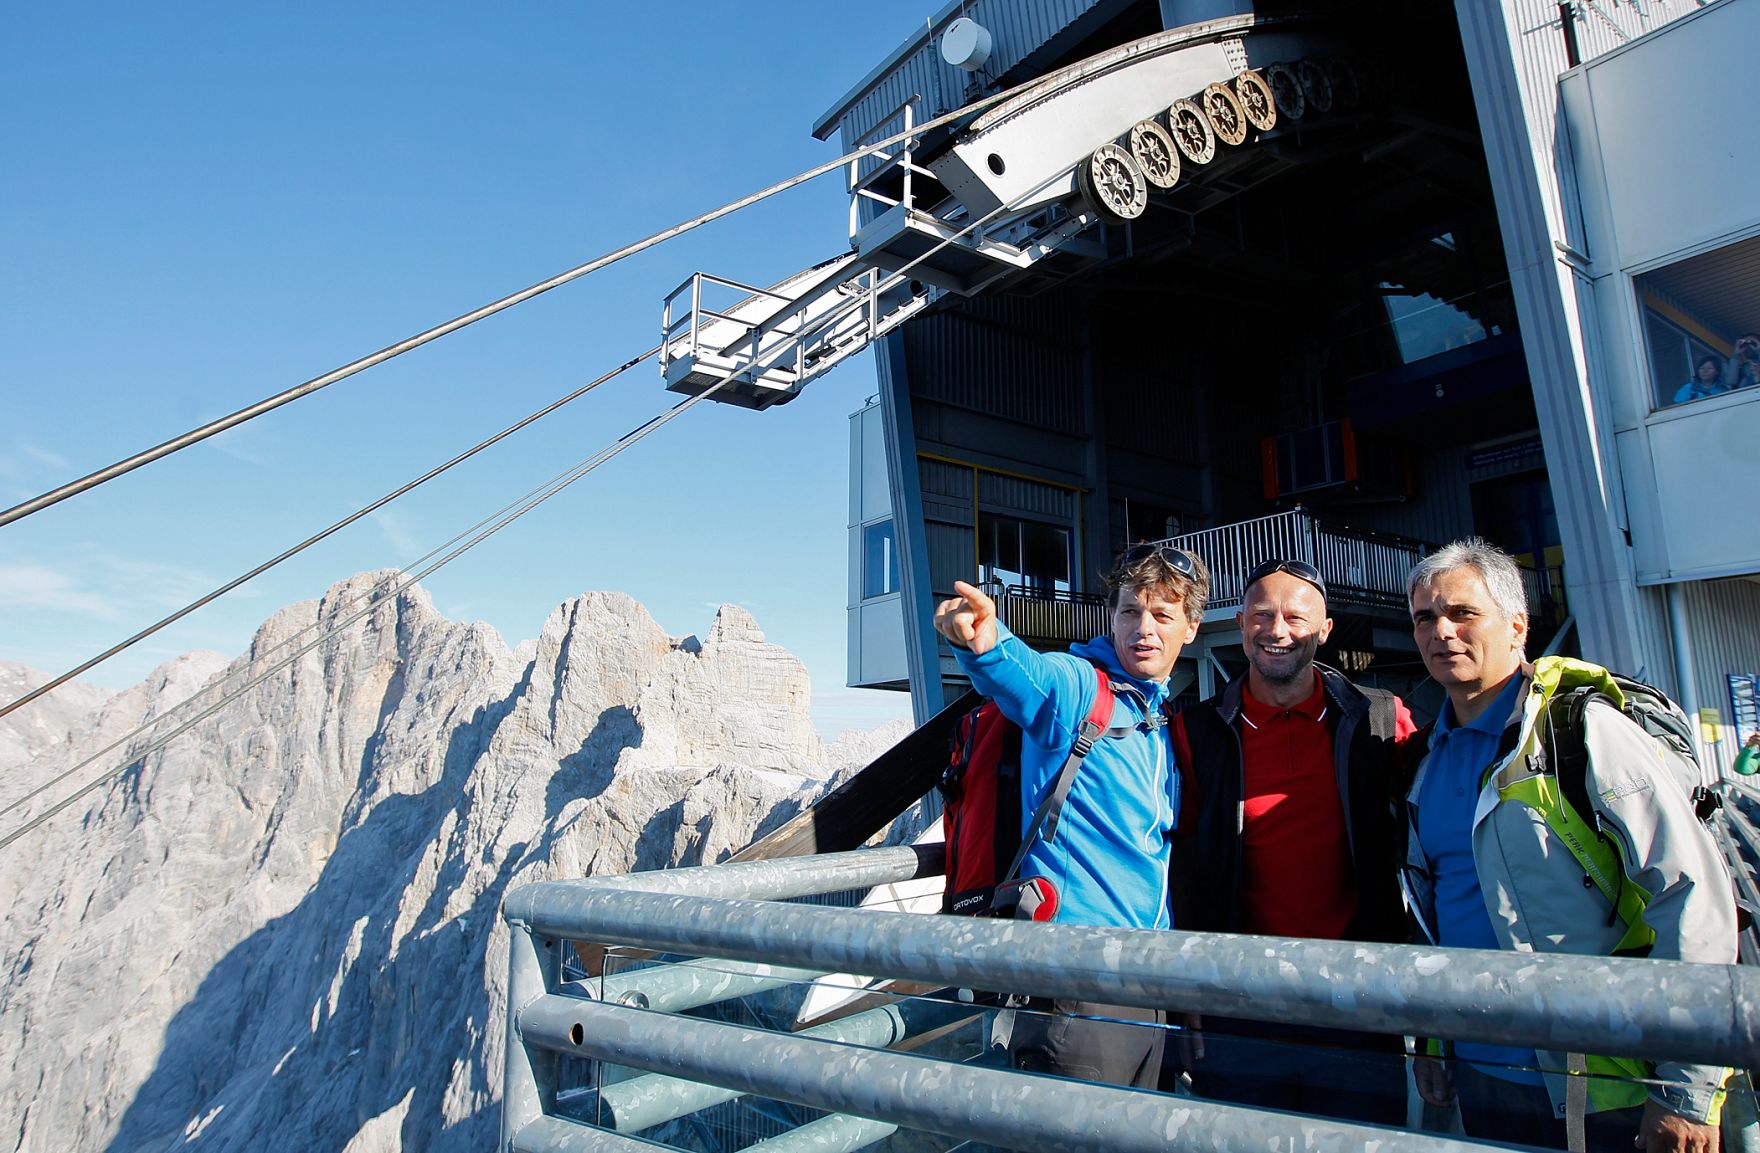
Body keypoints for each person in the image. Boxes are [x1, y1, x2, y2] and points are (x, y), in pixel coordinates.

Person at [1403, 538, 1736, 1153]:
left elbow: (1690, 896)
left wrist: (1687, 1089)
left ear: (1517, 627)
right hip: (1482, 1074)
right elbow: (1436, 911)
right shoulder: (1426, 759)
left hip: (1608, 1084)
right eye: (1425, 617)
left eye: (1462, 613)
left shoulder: (1581, 731)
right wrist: (1433, 1040)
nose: (1441, 631)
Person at [932, 542, 1209, 1089]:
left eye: (1161, 614)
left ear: (1191, 628)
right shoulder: (1084, 689)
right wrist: (986, 644)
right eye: (1130, 611)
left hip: (1148, 981)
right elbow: (1032, 677)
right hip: (1075, 983)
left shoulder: (1158, 718)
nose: (1143, 629)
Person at [1167, 557, 1415, 1123]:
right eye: (1261, 615)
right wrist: (1188, 989)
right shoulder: (1197, 732)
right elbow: (1180, 866)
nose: (1277, 631)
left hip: (1357, 1001)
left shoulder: (1380, 720)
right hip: (1239, 1003)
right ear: (1240, 623)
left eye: (1295, 617)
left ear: (1324, 631)